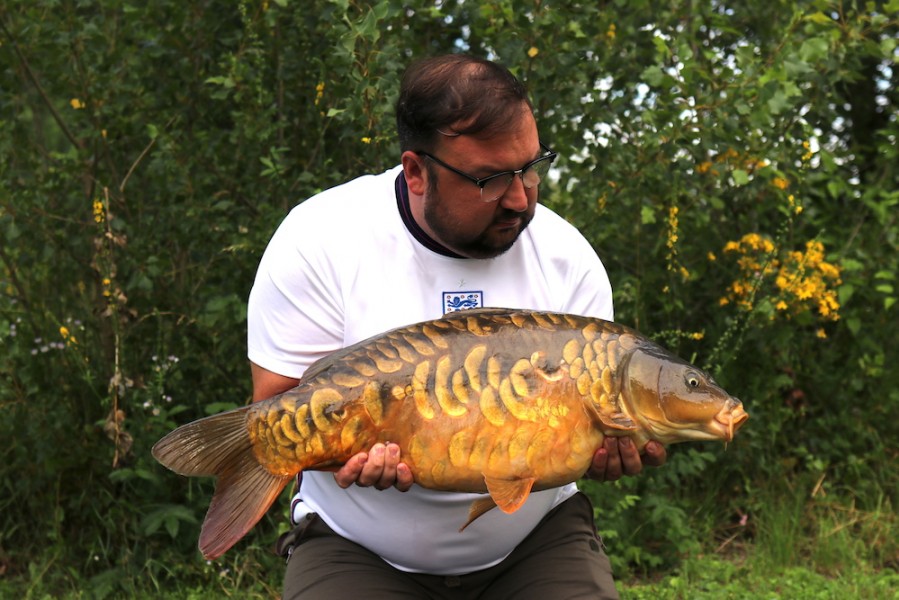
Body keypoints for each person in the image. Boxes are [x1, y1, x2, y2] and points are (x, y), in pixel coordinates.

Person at [247, 54, 667, 599]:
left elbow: (586, 423)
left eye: (531, 167)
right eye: (490, 179)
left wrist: (610, 449)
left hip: (533, 540)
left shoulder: (569, 259)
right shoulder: (319, 239)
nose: (520, 198)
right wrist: (344, 452)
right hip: (358, 545)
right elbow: (279, 402)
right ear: (417, 172)